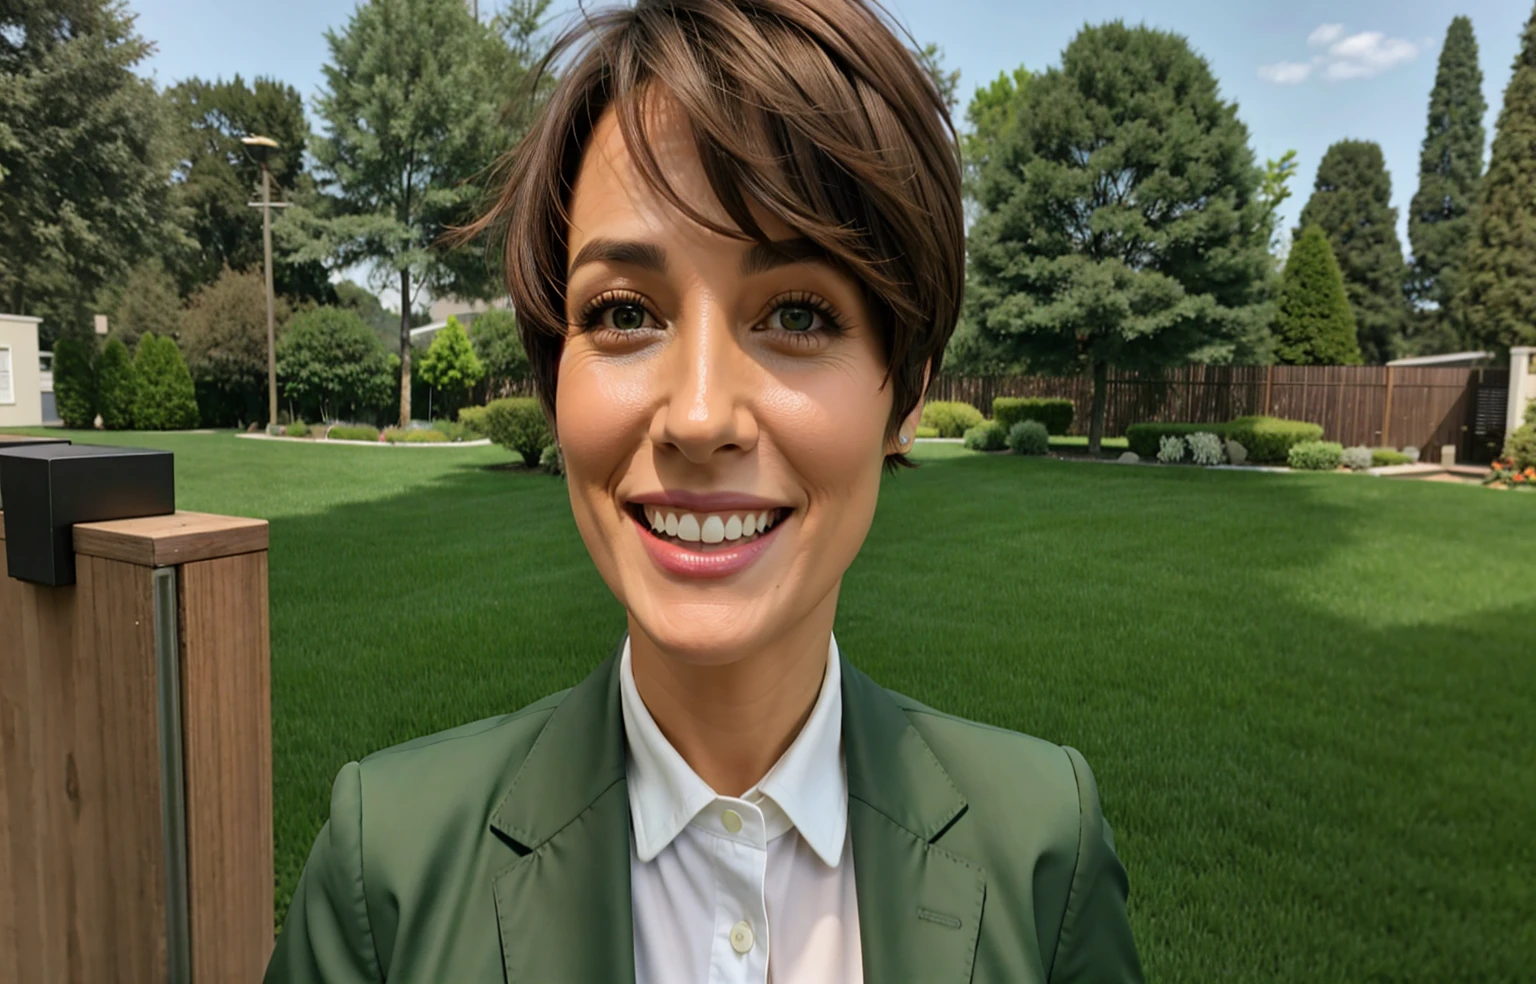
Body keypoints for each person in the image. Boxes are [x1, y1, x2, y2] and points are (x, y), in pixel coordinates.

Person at [264, 1, 1143, 981]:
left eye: (799, 313)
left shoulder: (1042, 850)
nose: (696, 416)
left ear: (909, 390)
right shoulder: (384, 867)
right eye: (626, 313)